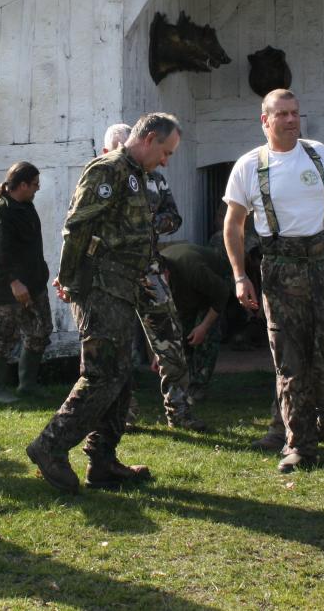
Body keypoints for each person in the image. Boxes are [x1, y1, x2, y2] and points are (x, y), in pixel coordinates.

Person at [224, 89, 324, 477]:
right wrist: (240, 276)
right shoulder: (250, 165)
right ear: (265, 120)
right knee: (290, 361)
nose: (291, 120)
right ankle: (299, 446)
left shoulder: (318, 153)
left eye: (295, 113)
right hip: (279, 269)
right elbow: (233, 224)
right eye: (282, 114)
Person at [26, 113, 182, 494]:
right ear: (148, 138)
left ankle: (103, 462)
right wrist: (70, 280)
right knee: (102, 374)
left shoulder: (137, 175)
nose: (165, 161)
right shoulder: (108, 169)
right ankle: (50, 446)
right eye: (165, 151)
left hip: (122, 288)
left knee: (120, 375)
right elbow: (77, 226)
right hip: (98, 286)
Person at [103, 123, 207, 432]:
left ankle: (179, 411)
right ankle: (123, 413)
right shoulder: (103, 177)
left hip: (149, 271)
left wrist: (148, 224)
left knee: (170, 340)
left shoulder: (156, 181)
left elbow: (174, 217)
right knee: (115, 346)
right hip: (113, 276)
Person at [0, 161, 53, 403]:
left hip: (34, 286)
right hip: (5, 290)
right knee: (1, 337)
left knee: (40, 331)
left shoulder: (26, 206)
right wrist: (13, 282)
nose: (37, 189)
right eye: (34, 184)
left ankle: (27, 384)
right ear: (21, 184)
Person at [158, 242, 236, 403]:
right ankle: (181, 383)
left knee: (205, 336)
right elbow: (160, 316)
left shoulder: (193, 269)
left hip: (214, 285)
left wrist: (204, 326)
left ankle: (198, 386)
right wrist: (157, 350)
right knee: (181, 334)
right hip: (187, 293)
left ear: (166, 271)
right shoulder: (155, 277)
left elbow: (221, 294)